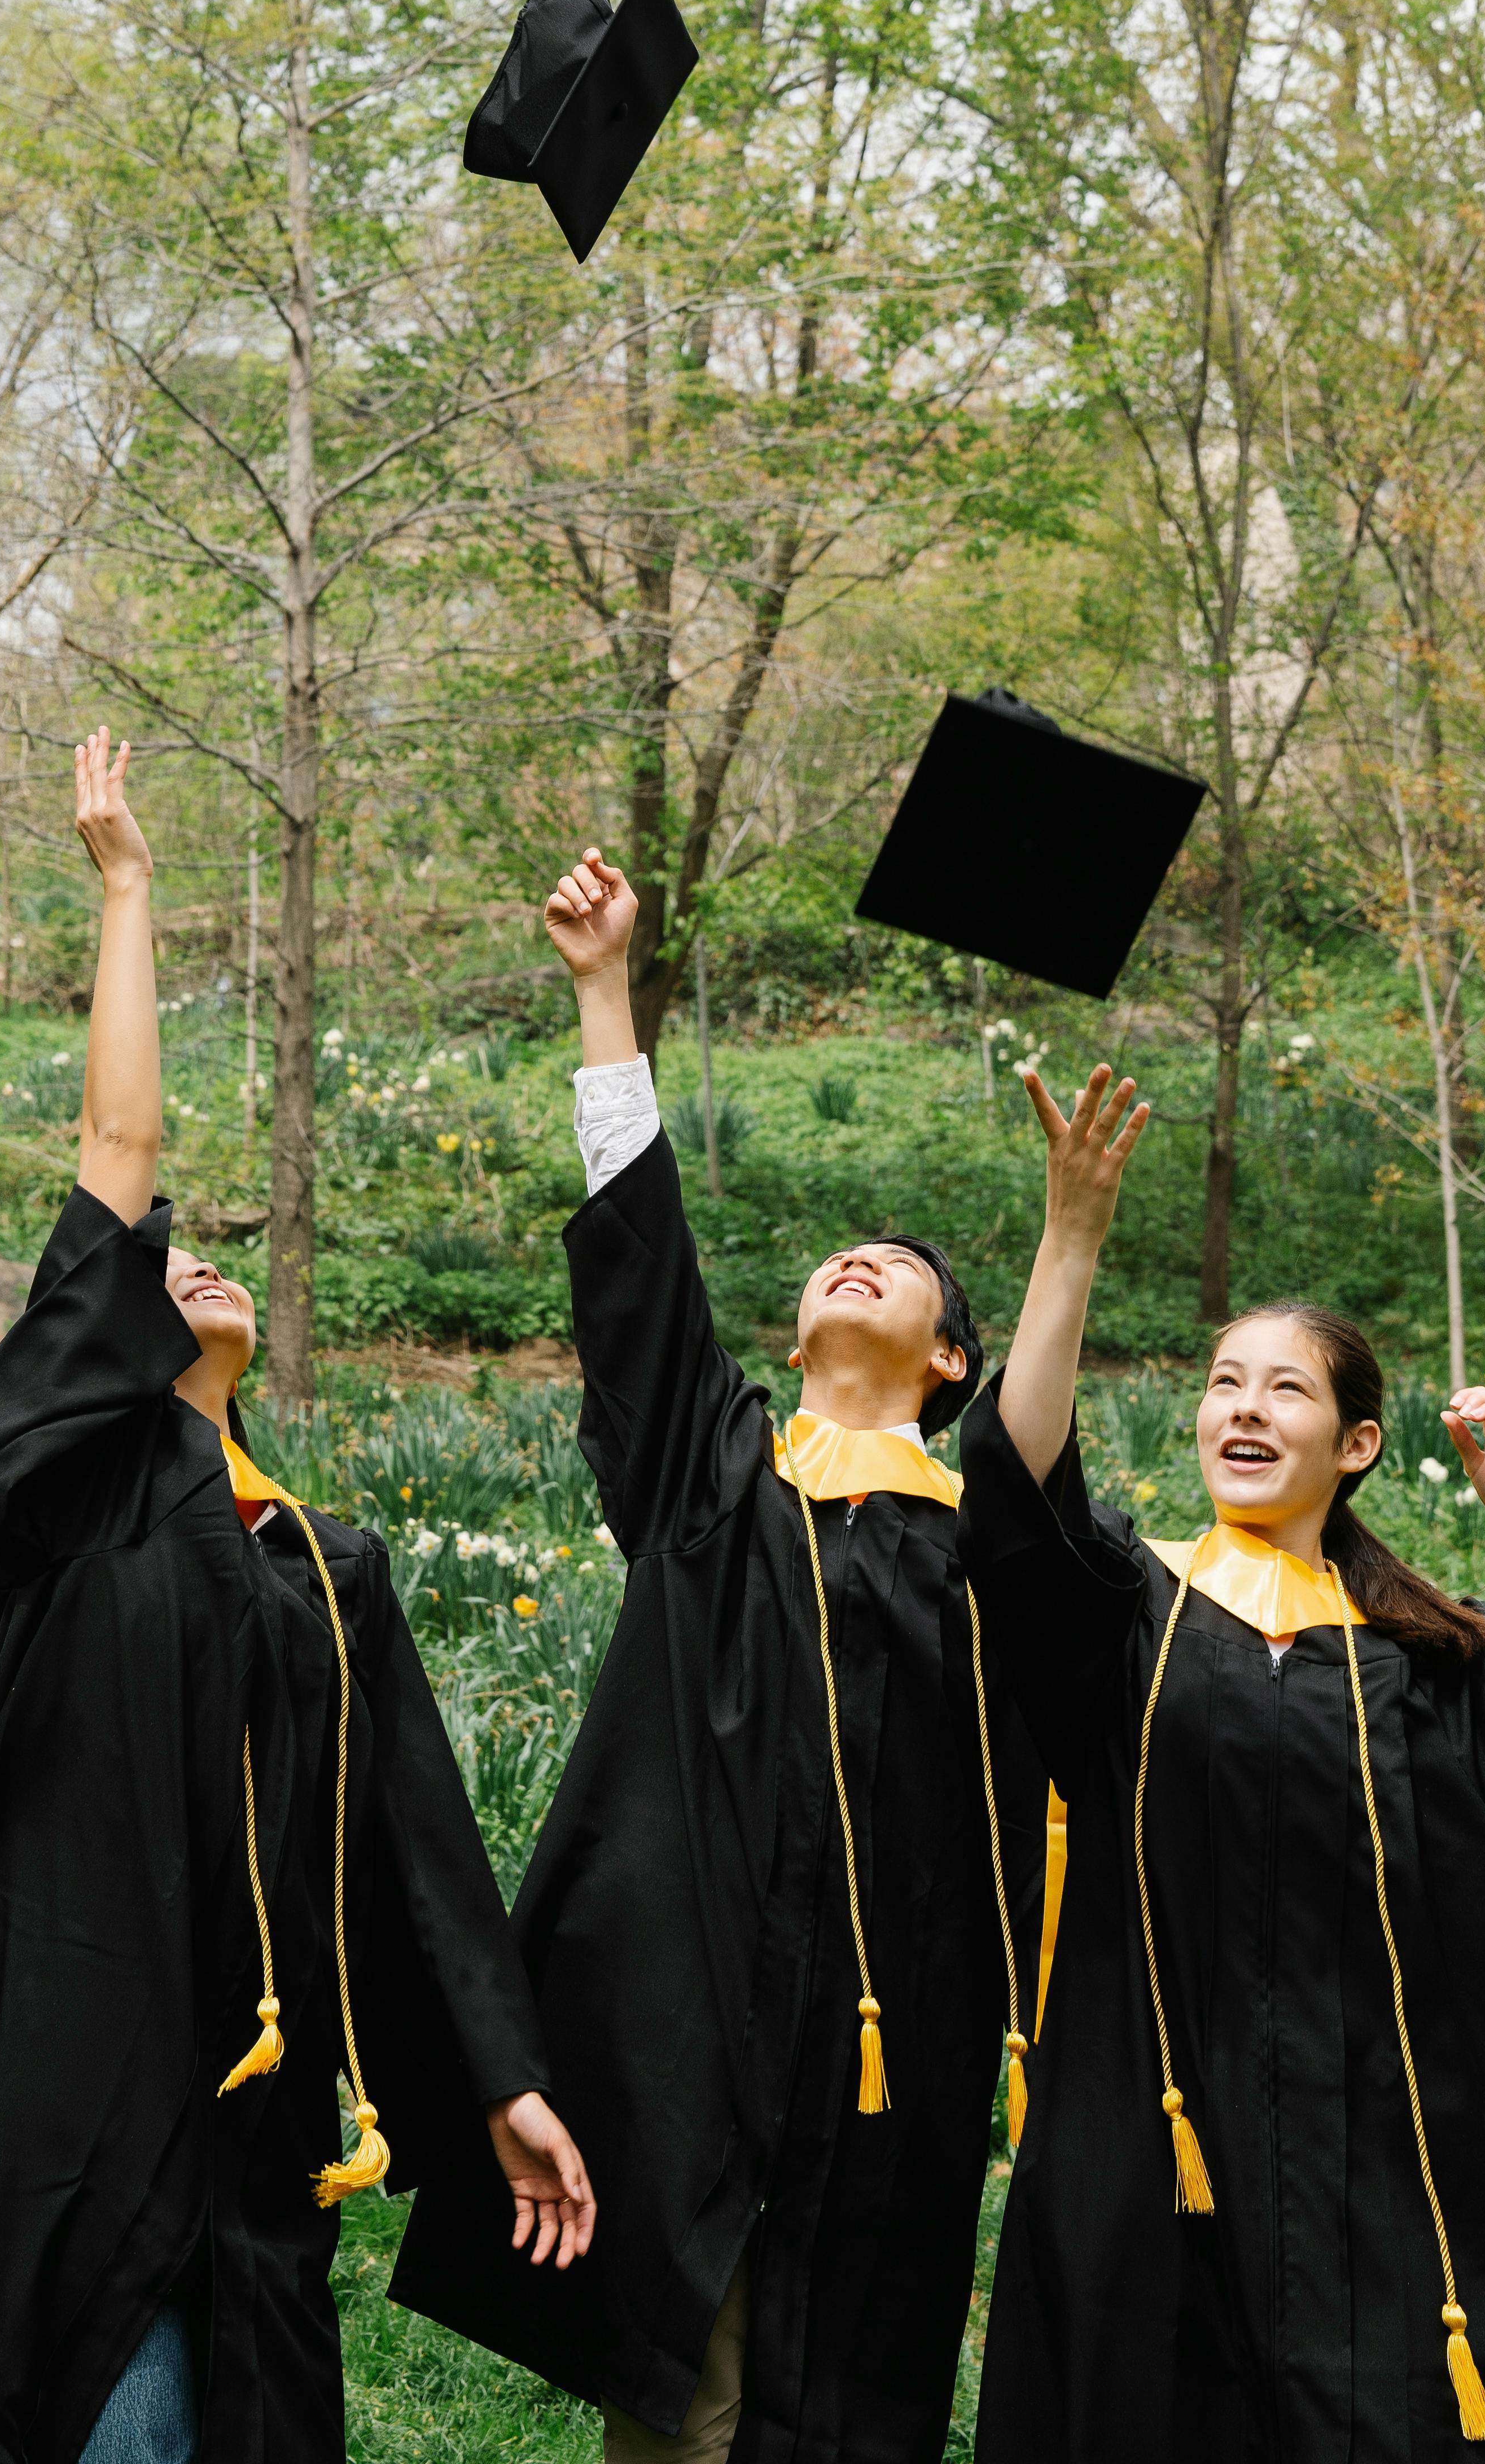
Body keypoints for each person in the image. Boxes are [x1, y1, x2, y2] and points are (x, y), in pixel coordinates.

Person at [0, 731, 594, 2464]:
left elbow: (418, 1851)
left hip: (253, 2112)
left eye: (224, 1262)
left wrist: (501, 2081)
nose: (195, 1262)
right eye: (159, 1264)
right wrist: (127, 889)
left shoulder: (326, 1562)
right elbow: (118, 1148)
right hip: (60, 2074)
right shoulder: (62, 1502)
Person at [958, 1061, 1485, 2462]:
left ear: (1351, 1445)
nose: (1242, 1406)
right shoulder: (1134, 1621)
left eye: (1283, 1389)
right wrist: (1072, 1236)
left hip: (1384, 2169)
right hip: (1163, 2145)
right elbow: (1019, 1497)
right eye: (1224, 1382)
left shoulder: (1427, 1664)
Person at [391, 847, 1049, 2464]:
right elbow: (641, 1295)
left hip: (890, 2041)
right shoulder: (716, 1491)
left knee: (848, 2403)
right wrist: (605, 991)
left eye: (902, 1270)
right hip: (688, 2014)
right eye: (839, 1257)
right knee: (684, 2408)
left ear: (952, 1357)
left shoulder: (983, 1552)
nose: (858, 1261)